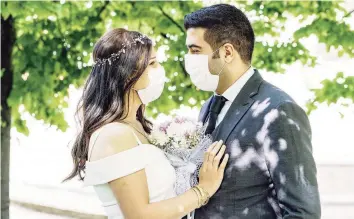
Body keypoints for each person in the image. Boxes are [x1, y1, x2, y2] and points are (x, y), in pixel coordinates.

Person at [63, 28, 229, 219]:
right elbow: (139, 215)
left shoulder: (136, 126)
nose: (159, 69)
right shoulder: (114, 135)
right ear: (128, 75)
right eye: (152, 63)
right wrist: (203, 190)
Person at [183, 4, 321, 219]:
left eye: (195, 50)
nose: (188, 59)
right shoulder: (208, 107)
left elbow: (302, 213)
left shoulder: (278, 110)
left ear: (227, 52)